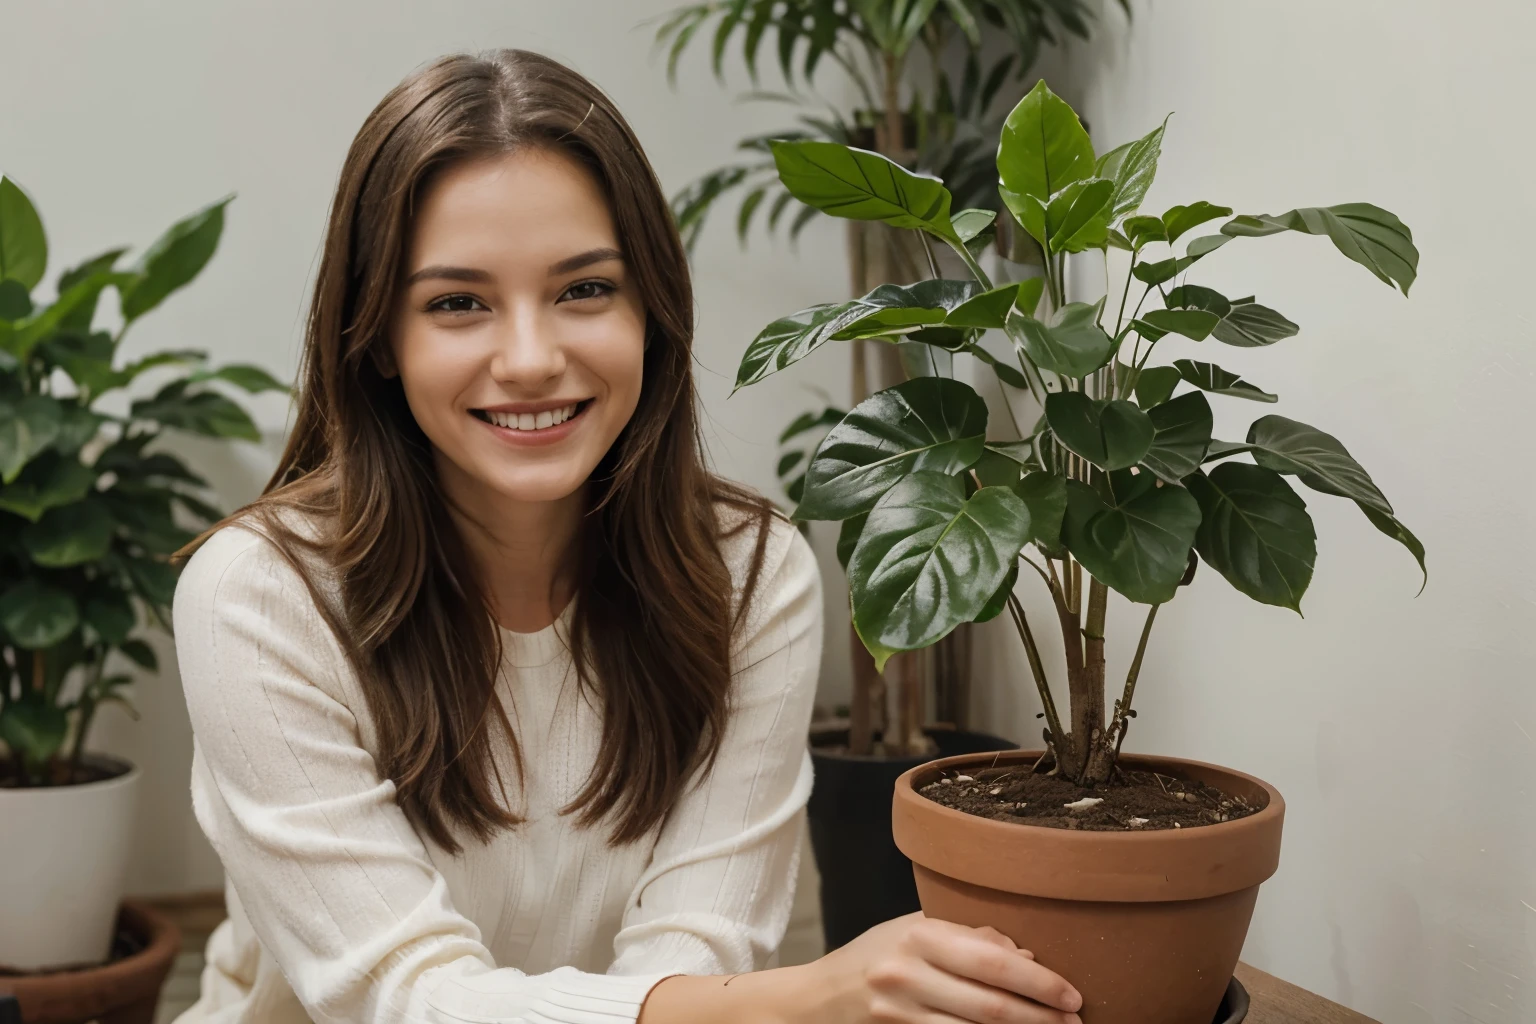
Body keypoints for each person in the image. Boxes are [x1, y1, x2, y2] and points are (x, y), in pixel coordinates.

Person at [172, 49, 1084, 1024]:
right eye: (456, 303)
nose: (530, 358)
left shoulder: (748, 569)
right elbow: (407, 997)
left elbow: (696, 956)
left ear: (652, 309)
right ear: (379, 337)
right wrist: (817, 995)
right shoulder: (260, 594)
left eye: (584, 290)